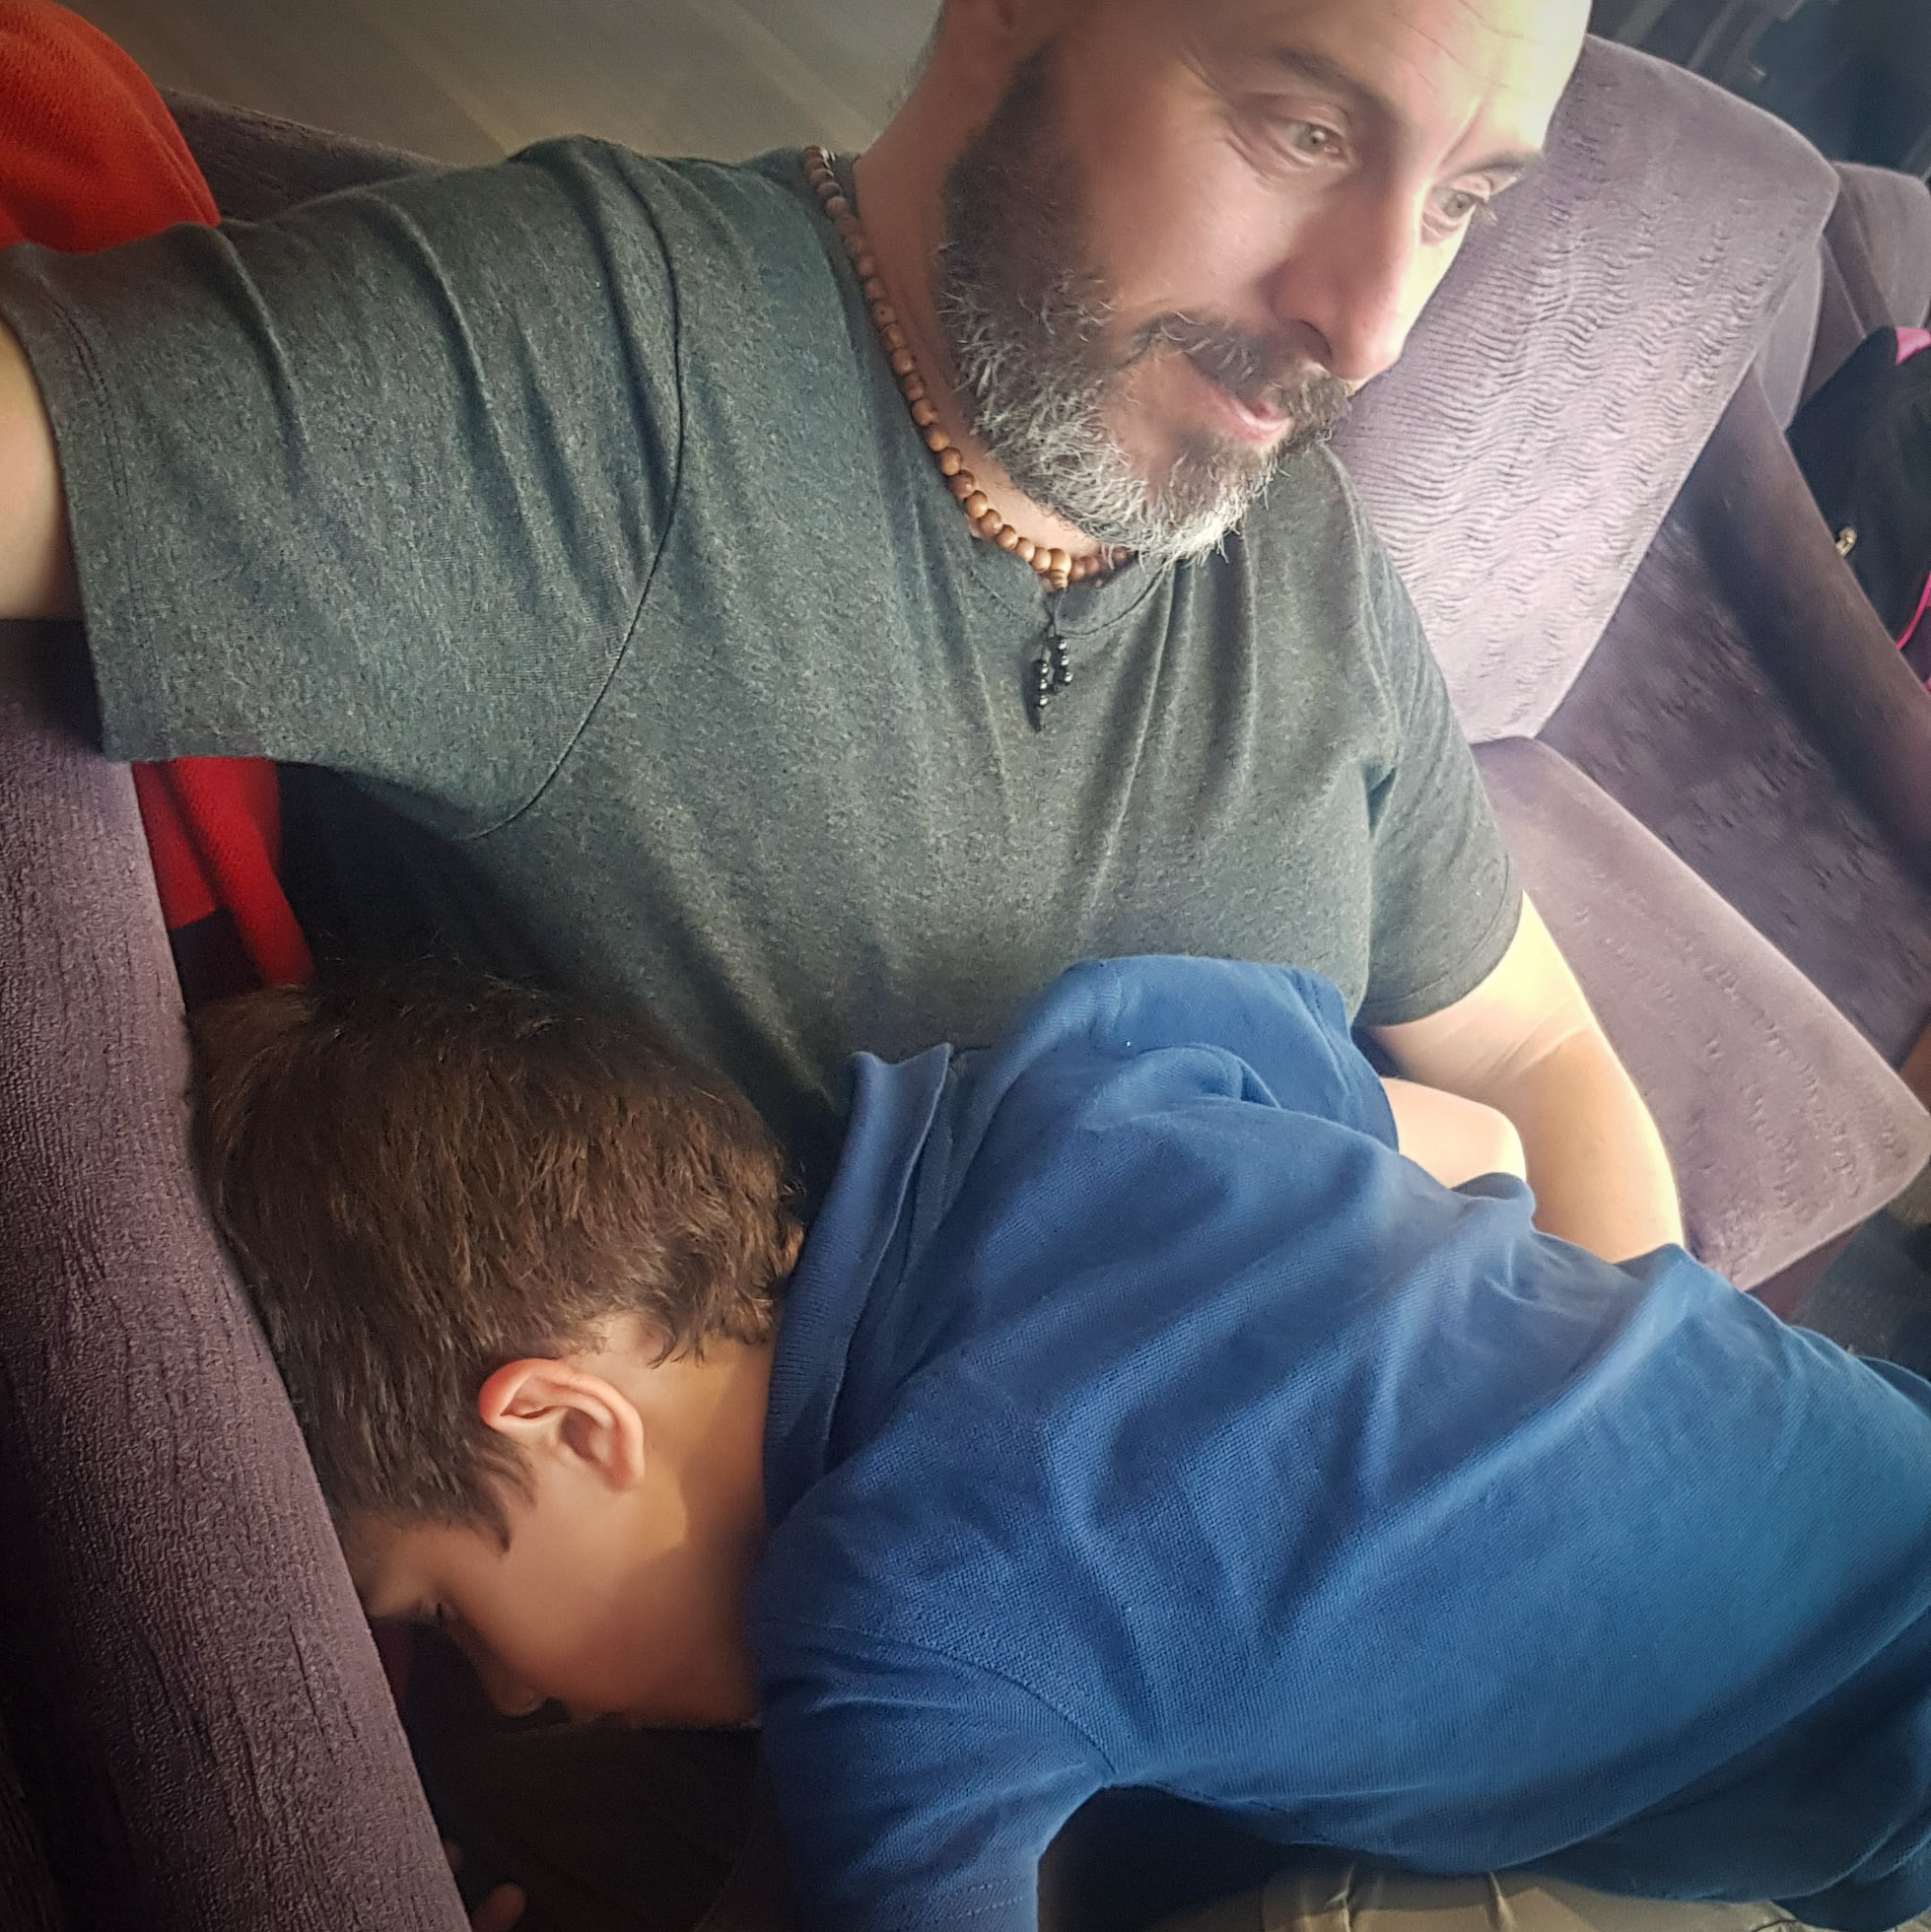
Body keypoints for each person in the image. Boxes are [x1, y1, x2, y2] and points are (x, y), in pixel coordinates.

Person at [0, 0, 1690, 1920]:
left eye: (1461, 200)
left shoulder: (1297, 551)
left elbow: (1539, 1056)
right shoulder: (605, 379)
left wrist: (1607, 1512)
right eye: (1304, 130)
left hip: (1468, 1746)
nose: (1372, 323)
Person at [187, 956, 1931, 1932]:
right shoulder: (1072, 1066)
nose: (505, 1698)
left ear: (570, 1422)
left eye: (442, 1615)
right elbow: (1466, 1133)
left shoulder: (900, 1617)